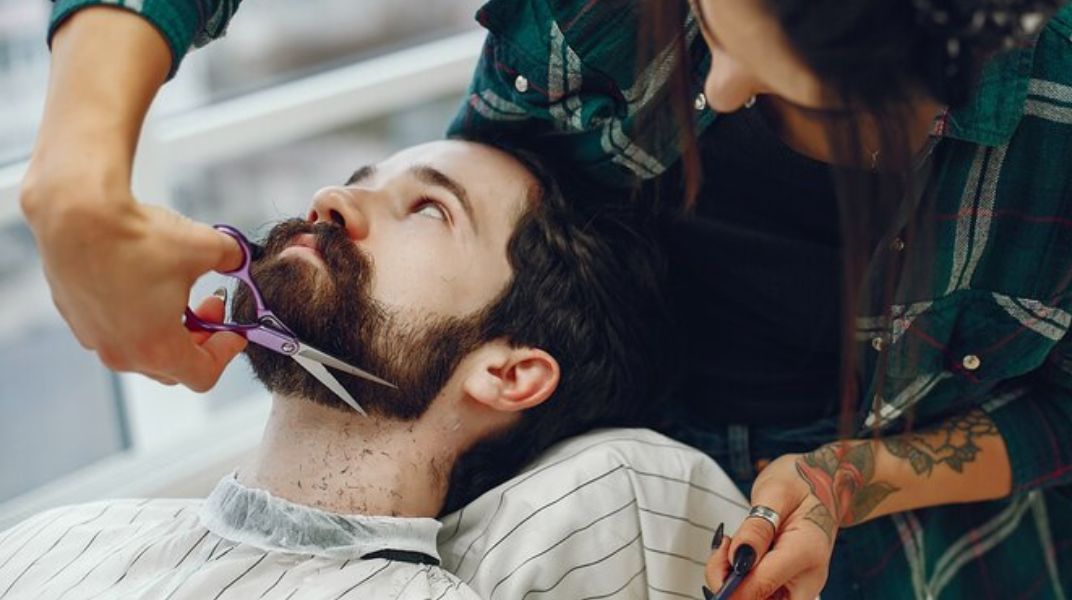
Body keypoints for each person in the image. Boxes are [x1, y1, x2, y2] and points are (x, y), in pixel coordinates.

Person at [19, 0, 1072, 598]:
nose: (715, 88)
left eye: (784, 80)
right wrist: (75, 184)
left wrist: (852, 478)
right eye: (702, 18)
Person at [0, 139, 750, 599]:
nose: (331, 198)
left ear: (509, 373)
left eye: (428, 209)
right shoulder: (54, 537)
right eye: (362, 178)